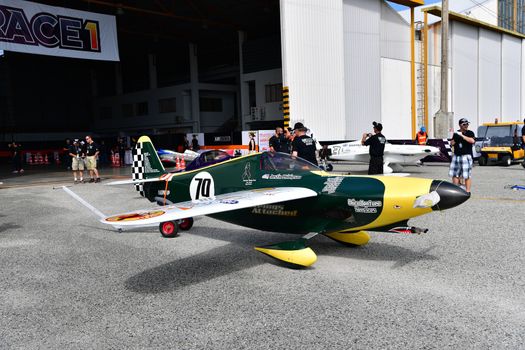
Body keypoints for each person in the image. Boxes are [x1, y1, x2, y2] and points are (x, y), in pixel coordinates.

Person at [449, 118, 475, 193]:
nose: (466, 125)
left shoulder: (470, 133)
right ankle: (455, 190)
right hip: (457, 156)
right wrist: (454, 137)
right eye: (464, 124)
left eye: (467, 124)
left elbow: (472, 141)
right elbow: (452, 143)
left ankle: (467, 191)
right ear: (460, 125)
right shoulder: (456, 133)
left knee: (466, 175)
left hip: (466, 156)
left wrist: (462, 136)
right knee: (455, 174)